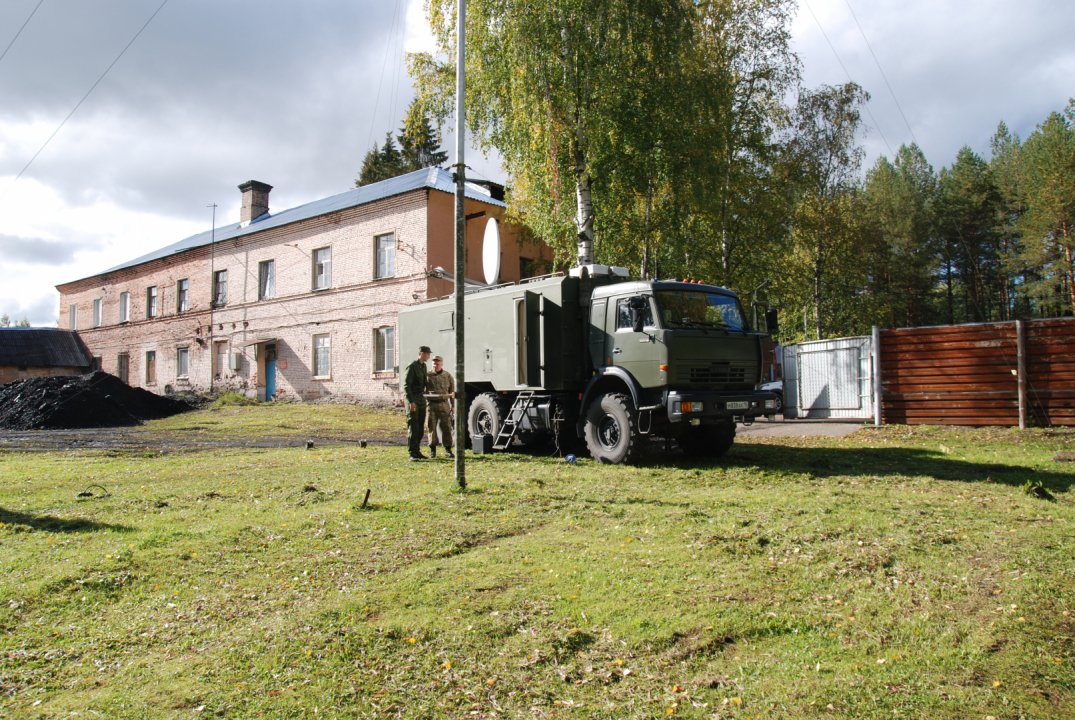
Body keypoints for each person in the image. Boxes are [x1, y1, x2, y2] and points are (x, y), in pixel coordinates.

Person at [404, 346, 431, 460]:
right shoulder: (412, 366)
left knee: (420, 427)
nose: (429, 356)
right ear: (421, 353)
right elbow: (407, 385)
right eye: (427, 354)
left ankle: (417, 450)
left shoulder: (423, 366)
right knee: (413, 426)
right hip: (413, 398)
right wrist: (411, 402)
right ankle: (412, 452)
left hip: (421, 398)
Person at [425, 355, 455, 458]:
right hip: (431, 405)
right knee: (431, 428)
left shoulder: (447, 376)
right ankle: (433, 450)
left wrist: (453, 406)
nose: (435, 365)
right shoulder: (427, 375)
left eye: (438, 364)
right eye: (434, 363)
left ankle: (448, 449)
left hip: (443, 404)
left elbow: (452, 391)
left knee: (447, 427)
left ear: (441, 364)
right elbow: (422, 389)